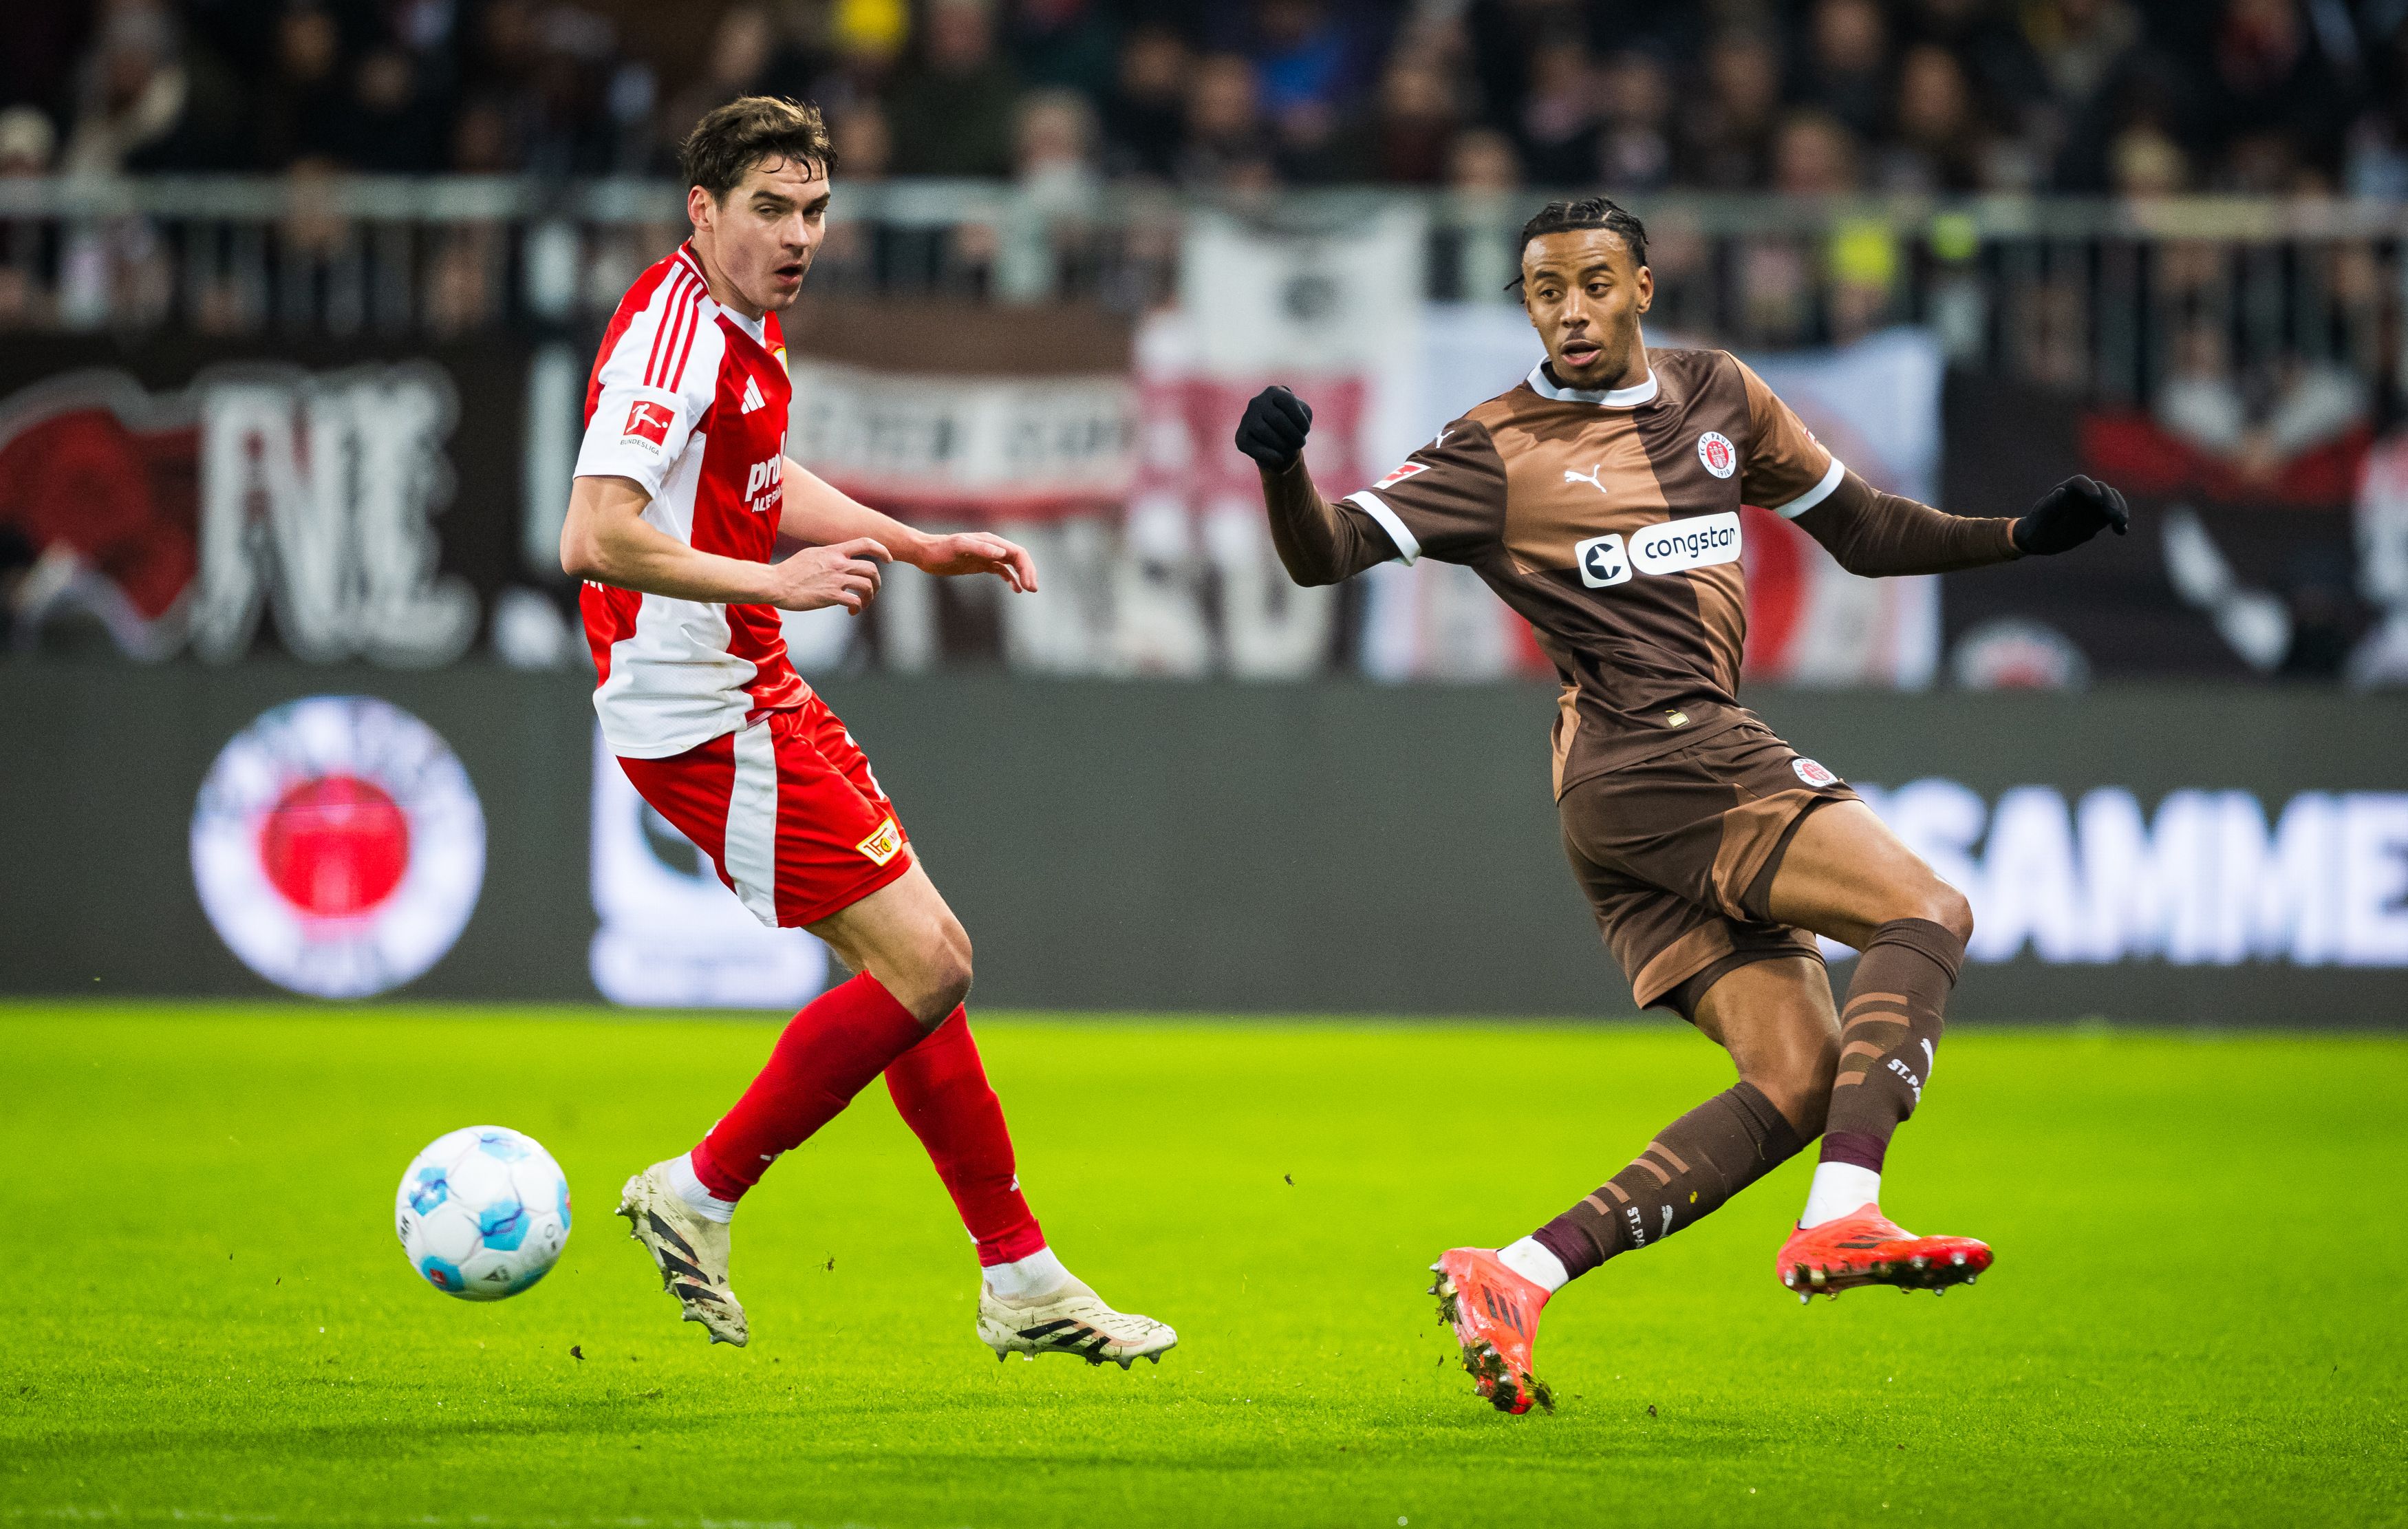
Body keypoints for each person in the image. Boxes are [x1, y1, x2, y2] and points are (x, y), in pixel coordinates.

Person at [1235, 197, 2127, 1414]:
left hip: (1628, 794)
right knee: (1926, 908)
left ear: (1642, 287)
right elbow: (1324, 552)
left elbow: (1865, 531)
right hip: (1666, 756)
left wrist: (2020, 536)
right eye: (1546, 291)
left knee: (1799, 1077)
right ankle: (1847, 1212)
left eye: (1595, 283)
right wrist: (1285, 471)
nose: (1571, 311)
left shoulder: (1718, 396)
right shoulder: (1494, 447)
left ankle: (1519, 1272)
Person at [561, 95, 1174, 1367]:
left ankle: (1021, 1275)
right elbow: (595, 533)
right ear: (702, 210)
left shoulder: (744, 325)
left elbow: (756, 479)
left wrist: (911, 540)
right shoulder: (674, 338)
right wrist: (776, 583)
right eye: (770, 209)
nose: (799, 235)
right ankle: (700, 1187)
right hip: (701, 710)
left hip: (752, 680)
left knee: (923, 970)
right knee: (929, 965)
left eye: (815, 210)